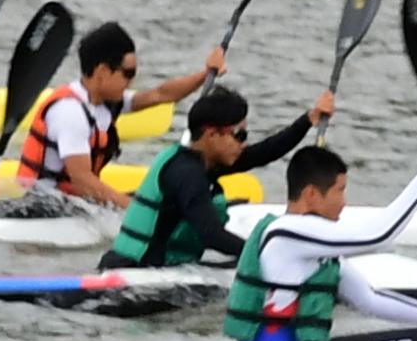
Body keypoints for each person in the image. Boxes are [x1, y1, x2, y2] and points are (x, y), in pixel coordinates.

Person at [222, 145, 417, 341]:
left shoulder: (314, 249)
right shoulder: (286, 233)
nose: (344, 202)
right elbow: (379, 235)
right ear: (312, 194)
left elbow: (369, 299)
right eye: (340, 190)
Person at [99, 83, 336, 269]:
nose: (243, 144)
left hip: (155, 267)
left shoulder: (204, 160)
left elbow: (263, 152)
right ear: (212, 135)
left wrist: (308, 119)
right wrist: (266, 254)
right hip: (136, 271)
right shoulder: (187, 174)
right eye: (239, 135)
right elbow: (211, 235)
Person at [14, 21, 227, 211]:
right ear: (102, 72)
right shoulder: (70, 113)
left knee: (162, 199)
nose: (131, 81)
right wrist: (135, 210)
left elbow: (161, 94)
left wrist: (206, 73)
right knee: (144, 204)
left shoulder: (105, 103)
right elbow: (82, 181)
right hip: (39, 206)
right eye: (128, 73)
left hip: (72, 203)